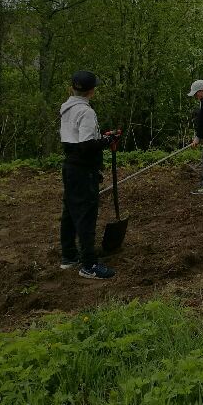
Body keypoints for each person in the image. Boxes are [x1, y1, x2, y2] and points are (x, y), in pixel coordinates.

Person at [59, 70, 117, 279]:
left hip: (70, 167)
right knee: (86, 214)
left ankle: (69, 256)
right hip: (83, 170)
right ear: (91, 91)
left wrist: (101, 138)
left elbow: (76, 139)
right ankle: (89, 264)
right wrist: (107, 141)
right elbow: (85, 145)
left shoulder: (66, 107)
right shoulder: (86, 112)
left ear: (72, 88)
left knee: (70, 212)